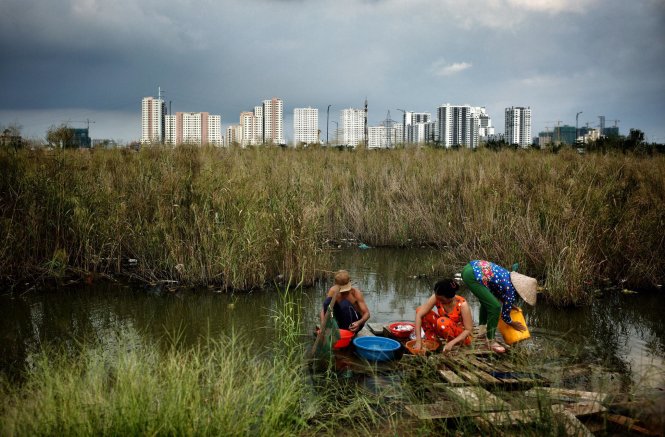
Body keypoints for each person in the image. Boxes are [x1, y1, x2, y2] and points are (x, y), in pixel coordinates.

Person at [461, 260, 537, 353]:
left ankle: (482, 332)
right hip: (473, 276)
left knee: (487, 303)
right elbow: (505, 316)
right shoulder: (511, 293)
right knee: (495, 307)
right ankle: (491, 341)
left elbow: (498, 292)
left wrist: (509, 304)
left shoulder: (507, 276)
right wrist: (513, 323)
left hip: (469, 268)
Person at [414, 279, 474, 353]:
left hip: (461, 336)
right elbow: (419, 315)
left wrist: (451, 343)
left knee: (442, 322)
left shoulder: (462, 305)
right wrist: (418, 340)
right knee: (420, 310)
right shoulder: (436, 297)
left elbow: (468, 330)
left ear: (450, 297)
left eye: (441, 299)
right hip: (444, 329)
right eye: (437, 297)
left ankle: (452, 346)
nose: (438, 300)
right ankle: (435, 342)